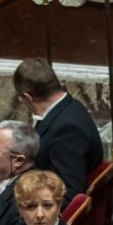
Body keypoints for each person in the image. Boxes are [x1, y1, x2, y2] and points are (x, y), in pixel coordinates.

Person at [13, 57, 102, 202]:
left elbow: (67, 193)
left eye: (22, 100)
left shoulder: (68, 129)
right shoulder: (69, 107)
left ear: (28, 97)